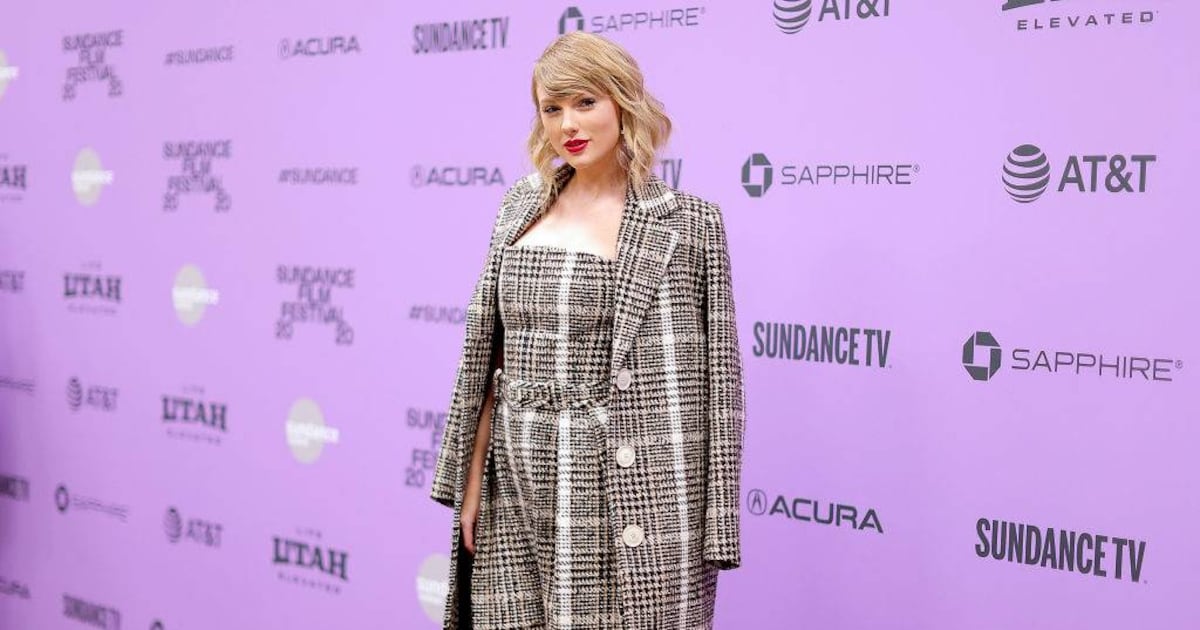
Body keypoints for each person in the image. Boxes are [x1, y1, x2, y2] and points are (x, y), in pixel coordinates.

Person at [430, 31, 746, 630]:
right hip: (514, 482)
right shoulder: (518, 206)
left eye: (585, 102)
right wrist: (471, 480)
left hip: (624, 486)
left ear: (623, 102)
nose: (568, 124)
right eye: (552, 108)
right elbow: (489, 356)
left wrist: (719, 523)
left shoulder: (689, 224)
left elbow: (721, 385)